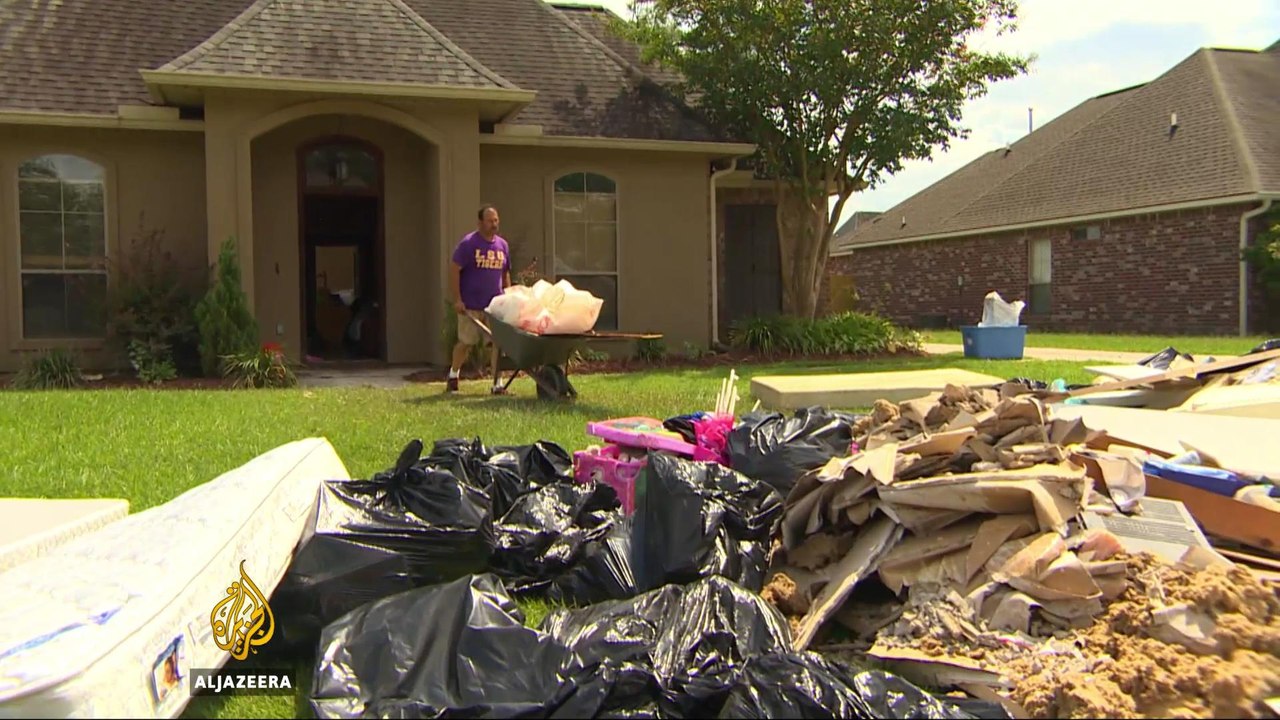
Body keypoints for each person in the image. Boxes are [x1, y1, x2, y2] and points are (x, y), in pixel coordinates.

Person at [447, 205, 511, 393]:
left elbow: (505, 273)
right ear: (480, 222)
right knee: (466, 343)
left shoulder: (502, 245)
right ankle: (453, 375)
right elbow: (454, 270)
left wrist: (509, 296)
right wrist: (458, 299)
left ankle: (497, 384)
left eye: (496, 220)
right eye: (490, 221)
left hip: (495, 307)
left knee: (498, 344)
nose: (494, 224)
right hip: (471, 305)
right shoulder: (468, 244)